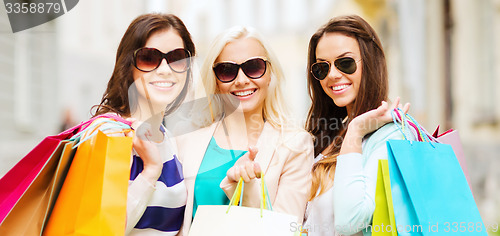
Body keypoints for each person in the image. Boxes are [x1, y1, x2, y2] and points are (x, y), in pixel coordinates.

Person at [176, 26, 313, 235]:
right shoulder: (186, 140)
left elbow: (287, 230)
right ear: (215, 81)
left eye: (254, 67)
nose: (241, 80)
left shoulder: (296, 145)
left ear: (270, 74)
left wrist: (249, 188)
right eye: (227, 70)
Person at [302, 15, 412, 236]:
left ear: (370, 63)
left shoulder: (391, 136)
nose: (332, 75)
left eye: (345, 63)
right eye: (322, 68)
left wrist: (355, 131)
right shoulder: (329, 135)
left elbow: (350, 222)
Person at [91, 13, 195, 235]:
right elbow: (102, 229)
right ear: (129, 65)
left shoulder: (167, 139)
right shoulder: (110, 134)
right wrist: (150, 171)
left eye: (177, 58)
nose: (165, 69)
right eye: (149, 58)